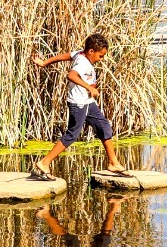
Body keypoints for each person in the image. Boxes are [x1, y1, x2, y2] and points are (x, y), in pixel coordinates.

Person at [31, 35, 131, 180]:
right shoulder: (83, 63)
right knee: (72, 134)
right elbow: (71, 75)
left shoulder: (80, 53)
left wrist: (45, 62)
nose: (101, 59)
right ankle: (44, 163)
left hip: (87, 103)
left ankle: (113, 163)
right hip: (78, 103)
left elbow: (65, 56)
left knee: (104, 127)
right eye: (100, 56)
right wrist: (88, 88)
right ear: (91, 51)